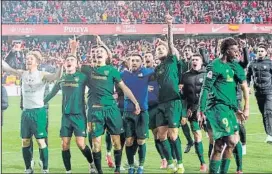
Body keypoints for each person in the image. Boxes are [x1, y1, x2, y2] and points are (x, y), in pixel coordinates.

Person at [72, 35, 141, 174]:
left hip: (111, 110)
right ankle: (98, 170)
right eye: (96, 52)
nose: (98, 53)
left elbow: (124, 88)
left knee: (116, 141)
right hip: (94, 111)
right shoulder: (87, 69)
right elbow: (73, 64)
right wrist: (74, 50)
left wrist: (135, 102)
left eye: (100, 52)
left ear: (106, 56)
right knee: (96, 144)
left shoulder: (112, 70)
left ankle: (117, 168)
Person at [2, 49, 63, 174]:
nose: (28, 60)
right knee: (25, 141)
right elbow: (7, 69)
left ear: (37, 62)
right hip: (26, 112)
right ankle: (28, 168)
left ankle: (45, 168)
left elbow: (56, 76)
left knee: (41, 141)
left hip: (38, 112)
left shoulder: (42, 74)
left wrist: (61, 66)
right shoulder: (22, 73)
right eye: (27, 58)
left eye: (31, 59)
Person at [198, 37, 249, 174]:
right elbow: (205, 88)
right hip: (216, 108)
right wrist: (201, 110)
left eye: (238, 50)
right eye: (234, 50)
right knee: (228, 141)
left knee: (225, 144)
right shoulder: (214, 66)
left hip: (229, 109)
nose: (237, 53)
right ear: (226, 51)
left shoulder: (234, 65)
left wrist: (242, 108)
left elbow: (244, 85)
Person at [44, 54, 96, 173]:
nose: (69, 61)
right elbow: (51, 94)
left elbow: (94, 87)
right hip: (66, 117)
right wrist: (40, 103)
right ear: (64, 64)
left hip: (79, 116)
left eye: (72, 60)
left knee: (80, 143)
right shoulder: (61, 79)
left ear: (77, 64)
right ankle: (68, 171)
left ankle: (91, 163)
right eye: (67, 60)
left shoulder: (82, 77)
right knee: (64, 144)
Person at [153, 14, 185, 173]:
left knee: (173, 135)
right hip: (161, 104)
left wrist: (170, 26)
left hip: (173, 101)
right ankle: (171, 161)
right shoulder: (156, 69)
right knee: (161, 136)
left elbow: (171, 44)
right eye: (157, 49)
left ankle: (180, 163)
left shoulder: (172, 60)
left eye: (161, 48)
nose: (159, 50)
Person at [121, 53, 154, 174]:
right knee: (129, 141)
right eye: (132, 60)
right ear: (128, 62)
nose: (134, 62)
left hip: (143, 112)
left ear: (141, 62)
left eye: (137, 60)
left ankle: (141, 166)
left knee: (141, 141)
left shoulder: (147, 72)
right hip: (128, 111)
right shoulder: (123, 74)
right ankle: (130, 166)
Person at [181, 53, 207, 172]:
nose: (194, 61)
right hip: (192, 110)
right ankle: (202, 162)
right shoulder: (185, 76)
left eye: (196, 59)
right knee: (197, 135)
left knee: (213, 137)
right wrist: (186, 109)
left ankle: (215, 158)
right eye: (193, 60)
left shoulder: (207, 74)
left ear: (201, 62)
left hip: (207, 110)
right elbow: (184, 96)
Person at [246, 43, 272, 143]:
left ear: (266, 52)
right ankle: (269, 133)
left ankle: (270, 135)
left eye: (262, 51)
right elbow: (247, 77)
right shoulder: (252, 63)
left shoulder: (270, 63)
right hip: (258, 92)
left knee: (268, 112)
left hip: (269, 91)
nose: (260, 53)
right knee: (264, 114)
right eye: (259, 51)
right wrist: (247, 87)